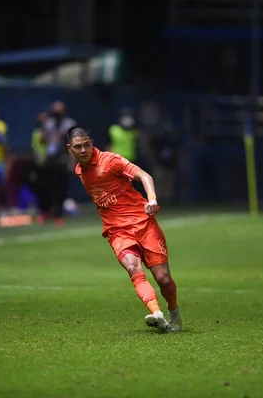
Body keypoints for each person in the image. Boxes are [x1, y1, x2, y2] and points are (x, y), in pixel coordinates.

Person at [67, 125, 182, 332]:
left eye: (86, 145)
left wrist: (152, 199)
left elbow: (146, 176)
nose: (83, 150)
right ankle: (157, 313)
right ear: (70, 149)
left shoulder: (111, 161)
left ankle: (174, 313)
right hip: (117, 231)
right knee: (132, 268)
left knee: (163, 279)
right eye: (78, 147)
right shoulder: (79, 171)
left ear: (92, 143)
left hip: (143, 223)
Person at [40, 101, 76, 226]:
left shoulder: (69, 124)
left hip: (63, 159)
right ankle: (45, 212)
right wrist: (43, 126)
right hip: (50, 158)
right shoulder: (49, 123)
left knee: (60, 188)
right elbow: (42, 140)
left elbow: (73, 144)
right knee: (46, 186)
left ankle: (58, 214)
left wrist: (72, 161)